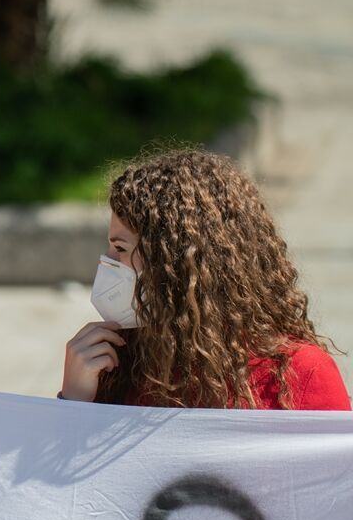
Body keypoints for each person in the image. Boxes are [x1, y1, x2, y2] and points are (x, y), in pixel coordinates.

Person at [60, 149, 350, 410]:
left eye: (120, 248)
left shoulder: (301, 374)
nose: (107, 260)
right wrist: (73, 401)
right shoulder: (113, 363)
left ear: (175, 261)